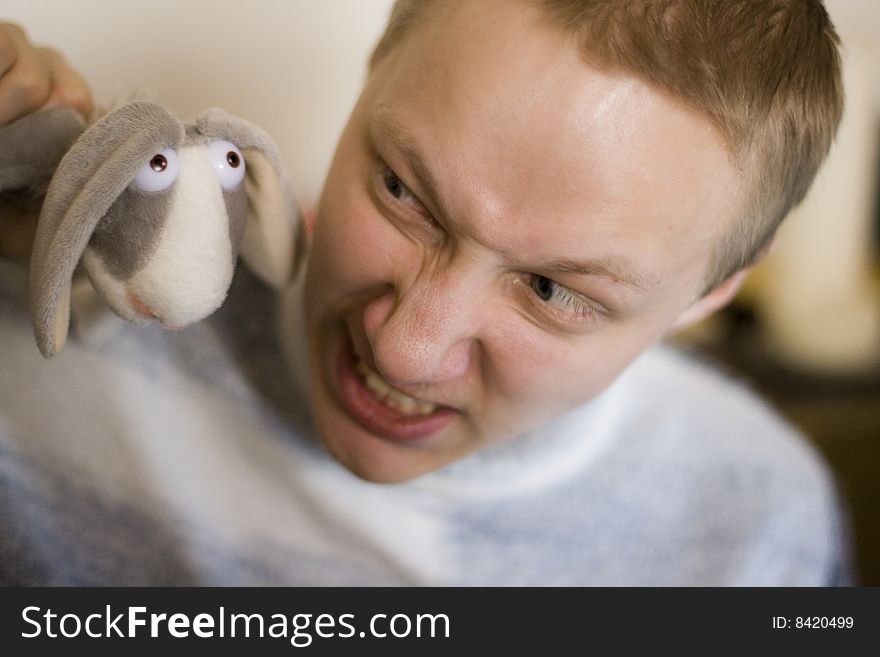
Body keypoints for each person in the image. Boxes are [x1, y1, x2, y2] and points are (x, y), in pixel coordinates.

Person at [0, 0, 851, 585]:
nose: (405, 346)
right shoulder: (59, 314)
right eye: (404, 193)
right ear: (375, 67)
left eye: (553, 290)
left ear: (715, 289)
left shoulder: (763, 528)